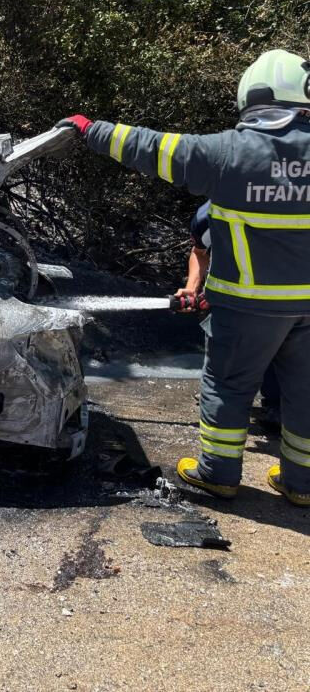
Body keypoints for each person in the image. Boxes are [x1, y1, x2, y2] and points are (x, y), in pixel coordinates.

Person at [58, 49, 310, 507]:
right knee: (307, 392)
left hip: (246, 308)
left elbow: (154, 147)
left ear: (251, 97)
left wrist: (90, 130)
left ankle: (217, 474)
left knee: (229, 387)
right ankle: (302, 483)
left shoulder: (229, 152)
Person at [178, 201, 281, 427]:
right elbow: (199, 251)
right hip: (234, 309)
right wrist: (193, 286)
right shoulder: (212, 211)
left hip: (290, 308)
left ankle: (278, 407)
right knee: (224, 382)